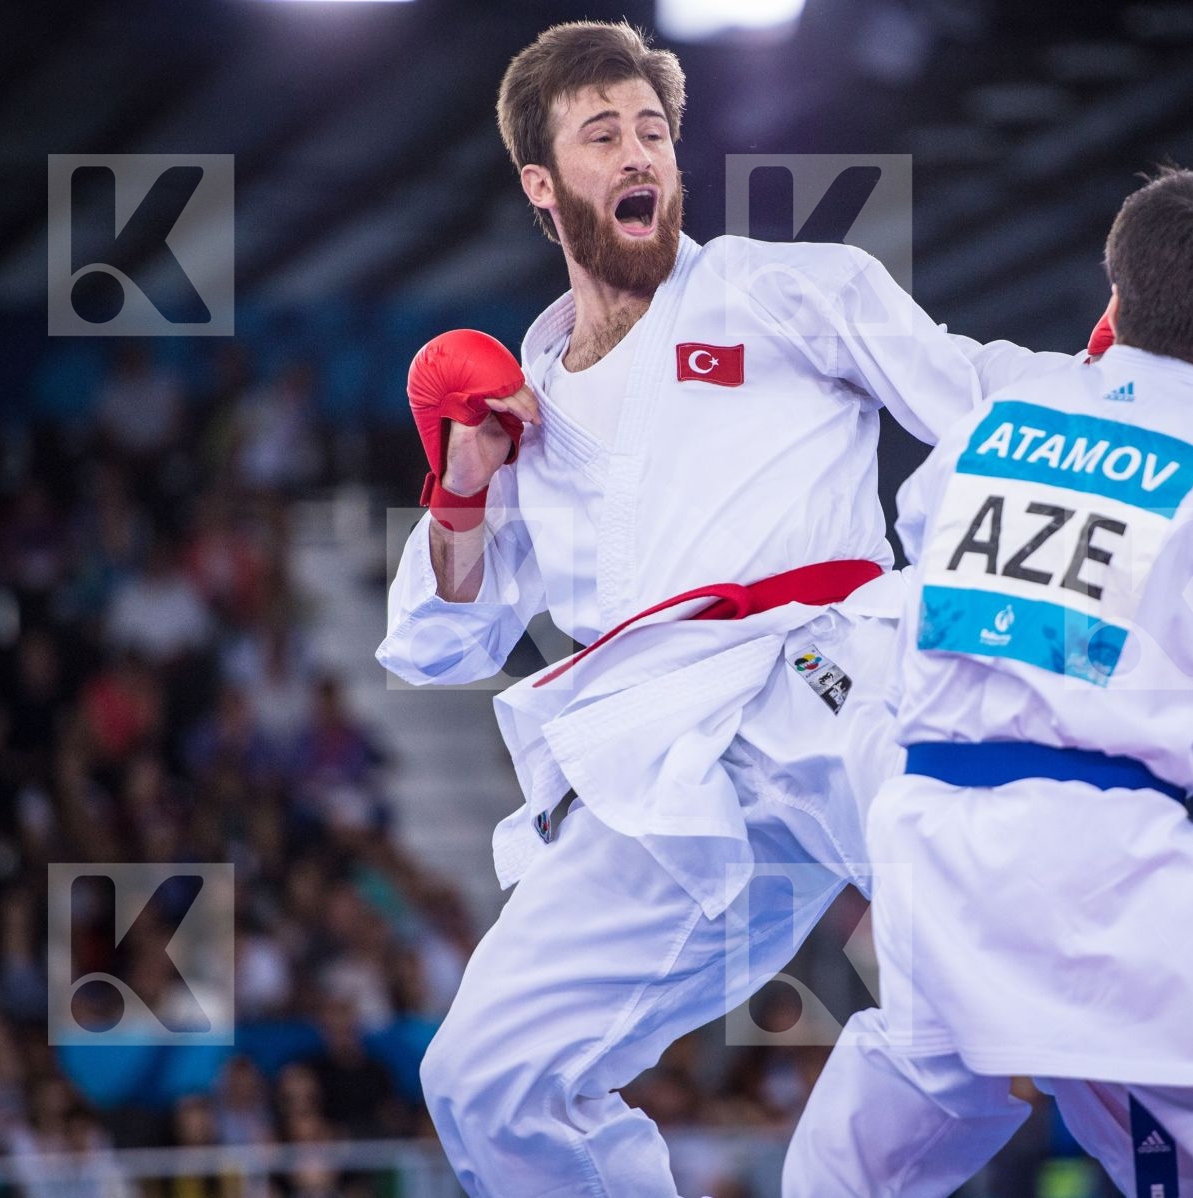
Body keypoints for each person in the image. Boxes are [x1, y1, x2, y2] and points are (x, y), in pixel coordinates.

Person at [374, 20, 1001, 1196]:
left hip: (824, 673)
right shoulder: (524, 406)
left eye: (653, 132)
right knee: (482, 1076)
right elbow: (442, 638)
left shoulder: (787, 288)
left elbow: (974, 392)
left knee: (1007, 937)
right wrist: (461, 488)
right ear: (542, 185)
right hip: (655, 763)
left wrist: (1125, 393)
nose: (638, 155)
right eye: (602, 135)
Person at [783, 168, 1193, 1197]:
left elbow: (923, 577)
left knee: (879, 1146)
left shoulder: (990, 428)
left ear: (1115, 298)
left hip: (930, 838)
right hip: (1119, 872)